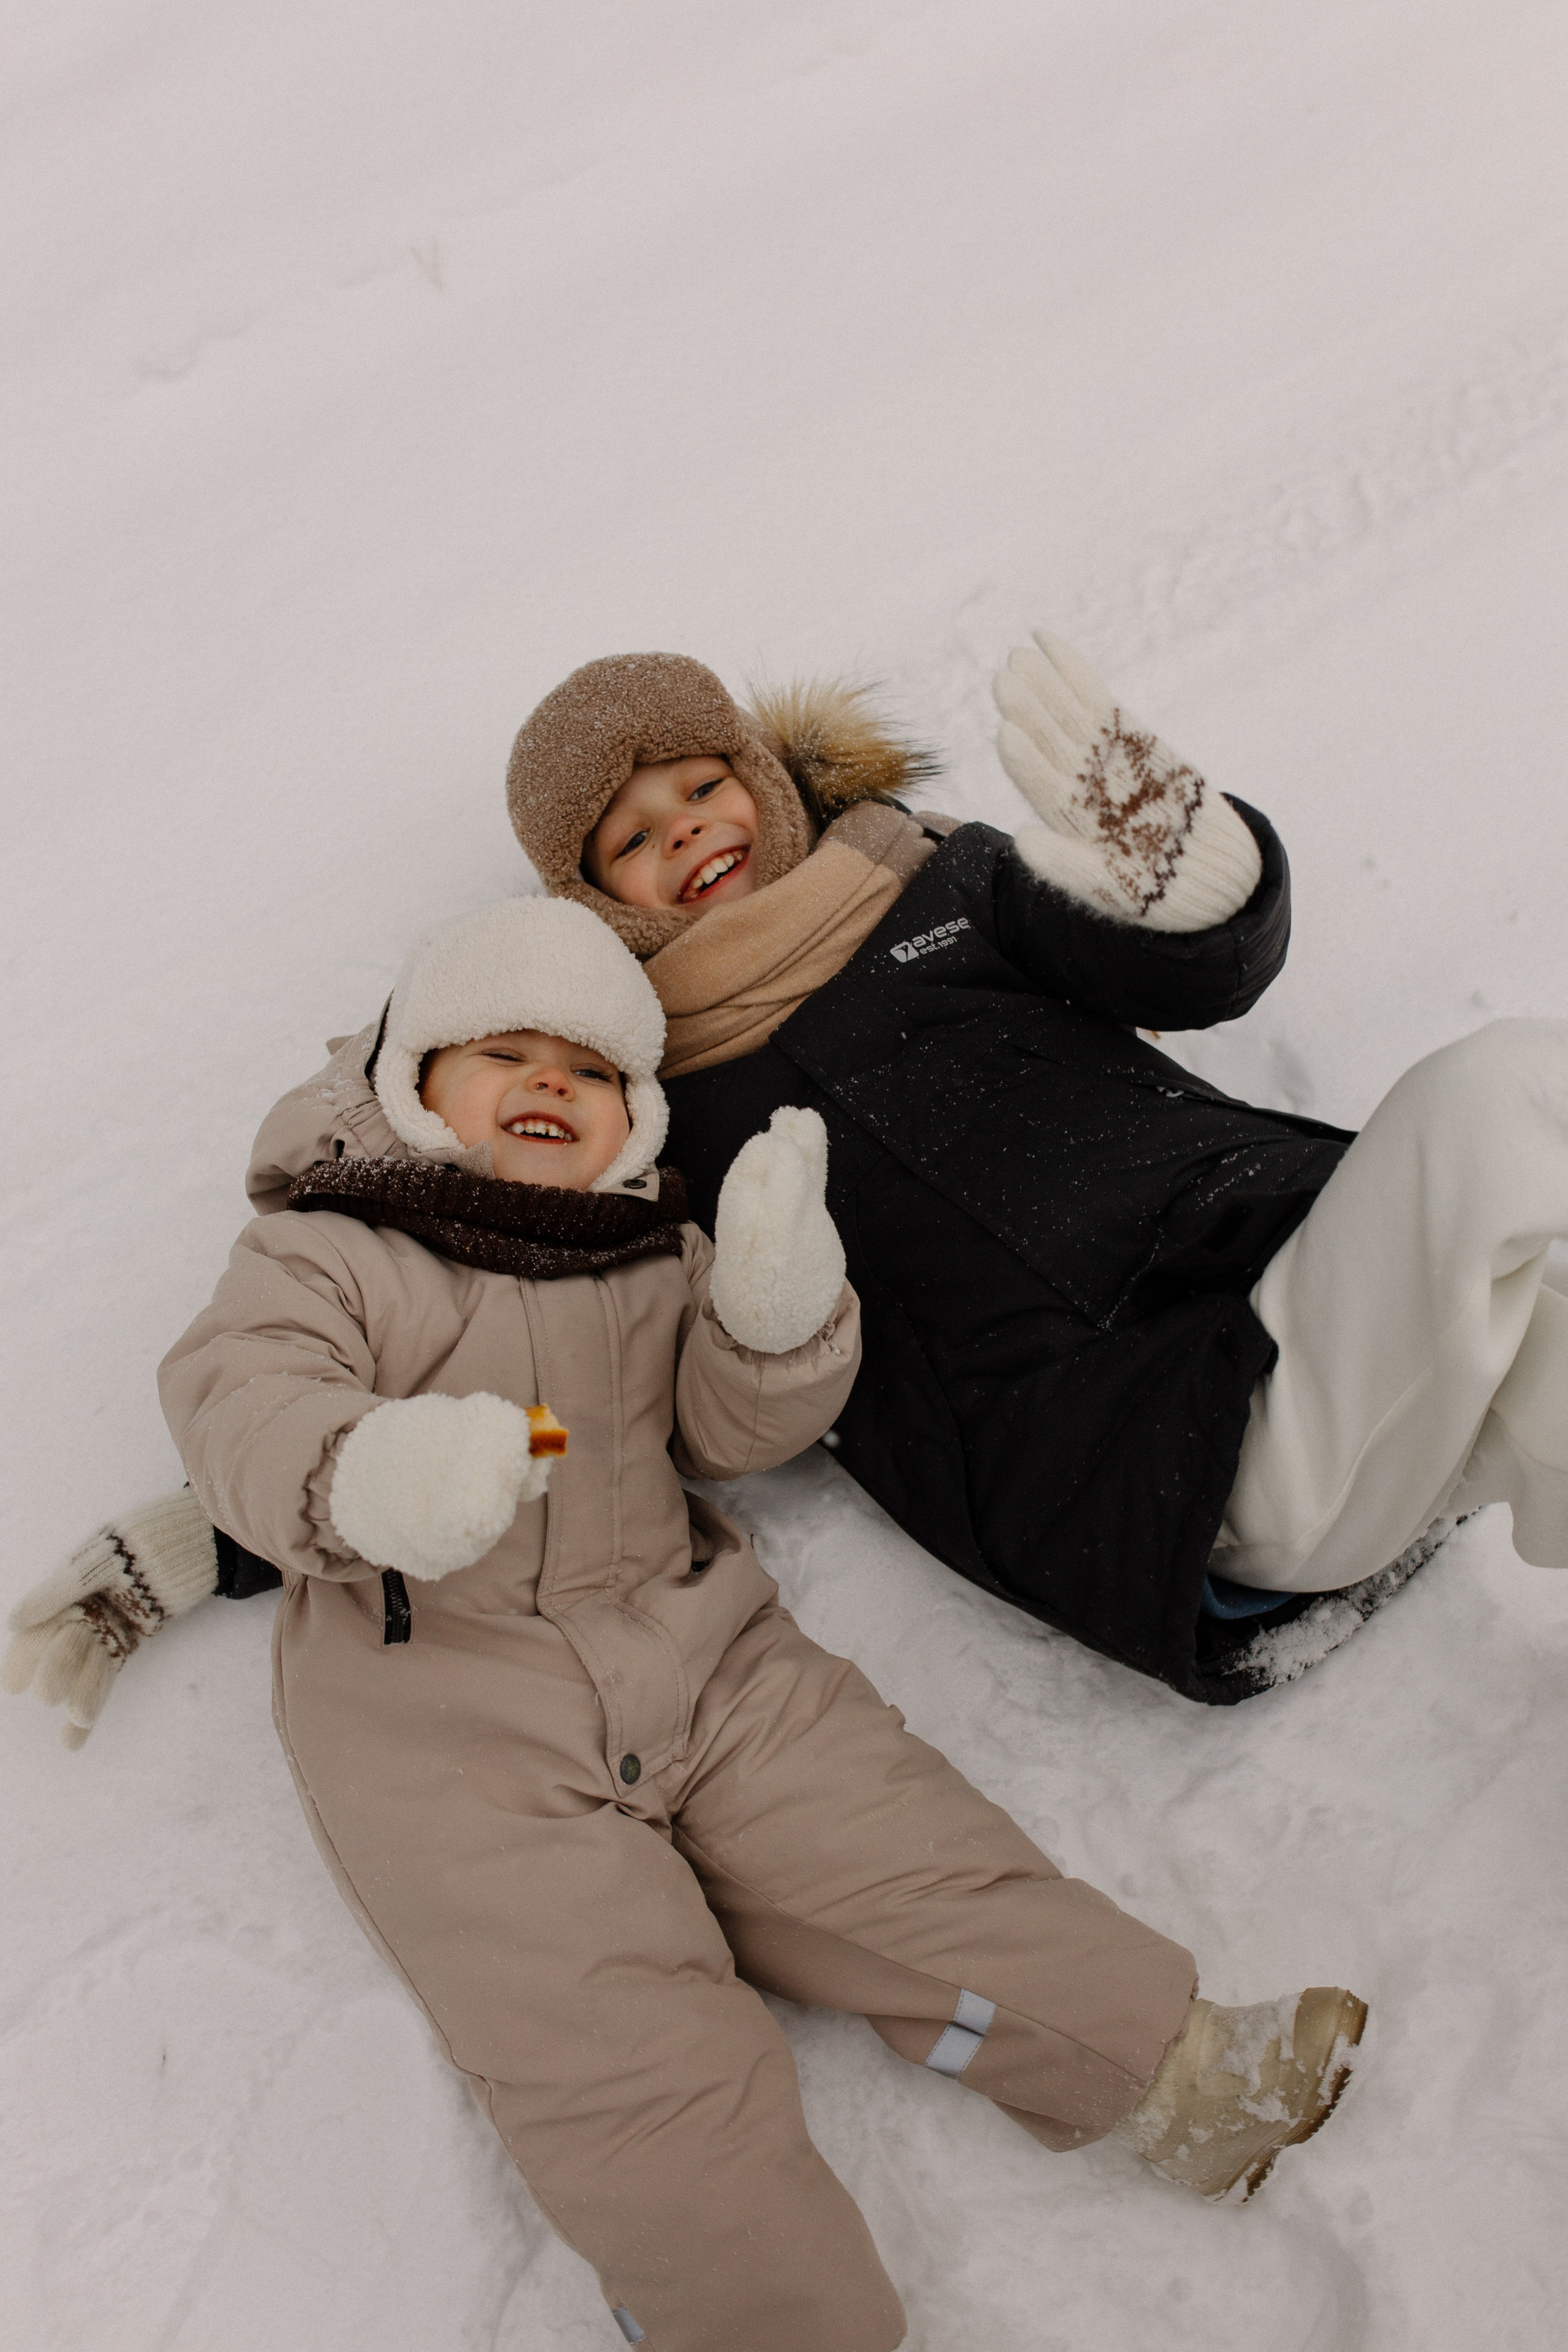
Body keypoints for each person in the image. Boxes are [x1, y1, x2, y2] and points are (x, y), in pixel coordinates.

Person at [144, 892, 1359, 2351]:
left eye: (589, 1070)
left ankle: (1169, 2080)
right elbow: (243, 1398)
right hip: (442, 1725)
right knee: (623, 2050)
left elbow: (727, 1437)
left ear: (635, 1112)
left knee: (907, 1855)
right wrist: (368, 1475)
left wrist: (774, 1316)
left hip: (700, 1648)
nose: (550, 1085)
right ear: (413, 1082)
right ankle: (767, 2324)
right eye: (505, 1054)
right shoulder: (330, 1250)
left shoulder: (650, 1253)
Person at [10, 630, 1568, 1736]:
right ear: (587, 895)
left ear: (759, 770)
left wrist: (1198, 876)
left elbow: (1194, 965)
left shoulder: (944, 880)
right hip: (1161, 1460)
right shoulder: (649, 1108)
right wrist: (253, 1519)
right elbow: (551, 1376)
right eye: (629, 837)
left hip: (1333, 1296)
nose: (685, 833)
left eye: (699, 785)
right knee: (1510, 1100)